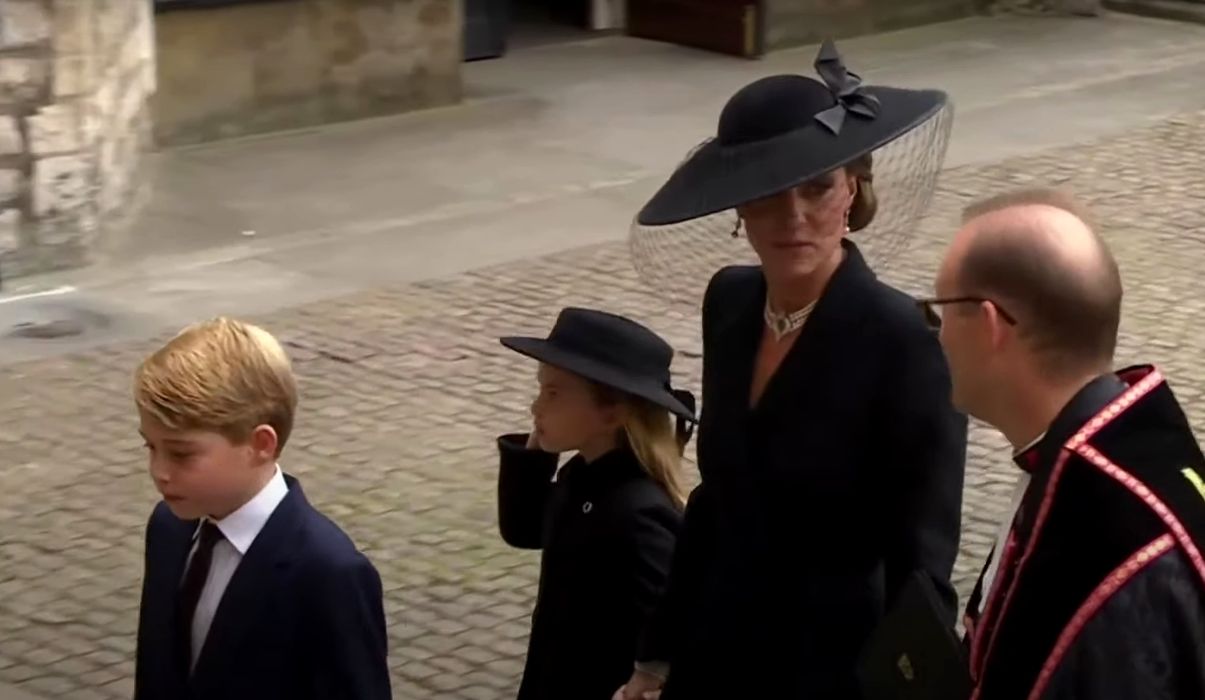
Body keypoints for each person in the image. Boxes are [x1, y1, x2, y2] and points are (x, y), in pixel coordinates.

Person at [617, 40, 968, 698]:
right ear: (738, 206)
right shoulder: (729, 301)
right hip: (716, 653)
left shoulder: (905, 340)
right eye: (769, 194)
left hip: (832, 668)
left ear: (852, 189)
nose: (794, 216)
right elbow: (715, 501)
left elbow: (922, 557)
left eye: (816, 187)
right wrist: (655, 654)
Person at [925, 188, 1205, 699]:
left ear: (989, 326)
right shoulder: (1096, 456)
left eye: (940, 311)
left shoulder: (1113, 539)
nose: (938, 337)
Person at [132, 317, 391, 700]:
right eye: (150, 447)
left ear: (260, 445)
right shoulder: (169, 529)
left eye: (181, 454)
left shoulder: (328, 571)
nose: (159, 471)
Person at [496, 307, 695, 700]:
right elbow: (525, 528)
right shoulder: (582, 478)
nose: (536, 406)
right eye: (540, 389)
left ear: (612, 414)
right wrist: (534, 455)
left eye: (554, 393)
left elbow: (675, 628)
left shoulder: (638, 512)